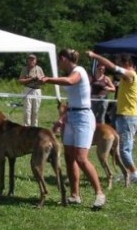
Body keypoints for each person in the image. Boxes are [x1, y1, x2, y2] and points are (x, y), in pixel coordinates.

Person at [40, 49, 106, 210]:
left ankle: (99, 194)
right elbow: (72, 101)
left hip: (84, 118)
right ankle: (75, 195)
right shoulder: (71, 73)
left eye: (59, 61)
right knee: (70, 158)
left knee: (81, 158)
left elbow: (70, 81)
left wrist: (48, 79)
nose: (58, 64)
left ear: (63, 59)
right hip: (71, 116)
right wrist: (61, 119)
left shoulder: (79, 71)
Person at [86, 51, 137, 184]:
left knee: (124, 149)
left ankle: (135, 174)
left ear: (126, 64)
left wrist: (95, 56)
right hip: (125, 116)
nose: (118, 67)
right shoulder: (129, 77)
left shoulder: (130, 74)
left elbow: (112, 67)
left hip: (128, 117)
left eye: (120, 64)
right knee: (123, 147)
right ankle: (129, 173)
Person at [18, 54, 44, 127]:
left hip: (37, 91)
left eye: (33, 59)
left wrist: (39, 79)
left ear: (36, 61)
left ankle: (34, 128)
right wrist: (31, 79)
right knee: (27, 110)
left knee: (35, 111)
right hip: (27, 89)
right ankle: (27, 127)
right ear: (27, 60)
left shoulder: (39, 69)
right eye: (30, 59)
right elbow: (20, 81)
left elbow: (44, 80)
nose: (31, 61)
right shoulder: (24, 69)